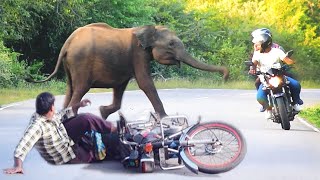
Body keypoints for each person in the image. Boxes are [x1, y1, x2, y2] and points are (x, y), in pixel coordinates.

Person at [3, 92, 121, 174]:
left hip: (66, 139)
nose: (55, 108)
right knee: (88, 124)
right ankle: (117, 131)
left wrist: (78, 105)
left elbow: (61, 115)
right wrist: (18, 166)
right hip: (67, 153)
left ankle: (116, 134)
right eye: (53, 106)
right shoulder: (37, 125)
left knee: (87, 127)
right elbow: (24, 144)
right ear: (51, 108)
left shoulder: (45, 114)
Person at [248, 33, 303, 120]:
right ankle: (268, 109)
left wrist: (292, 63)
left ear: (265, 44)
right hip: (266, 78)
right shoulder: (257, 54)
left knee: (296, 85)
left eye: (258, 44)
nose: (256, 47)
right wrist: (252, 68)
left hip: (279, 76)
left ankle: (295, 103)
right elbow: (254, 63)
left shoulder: (277, 51)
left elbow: (286, 60)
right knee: (260, 96)